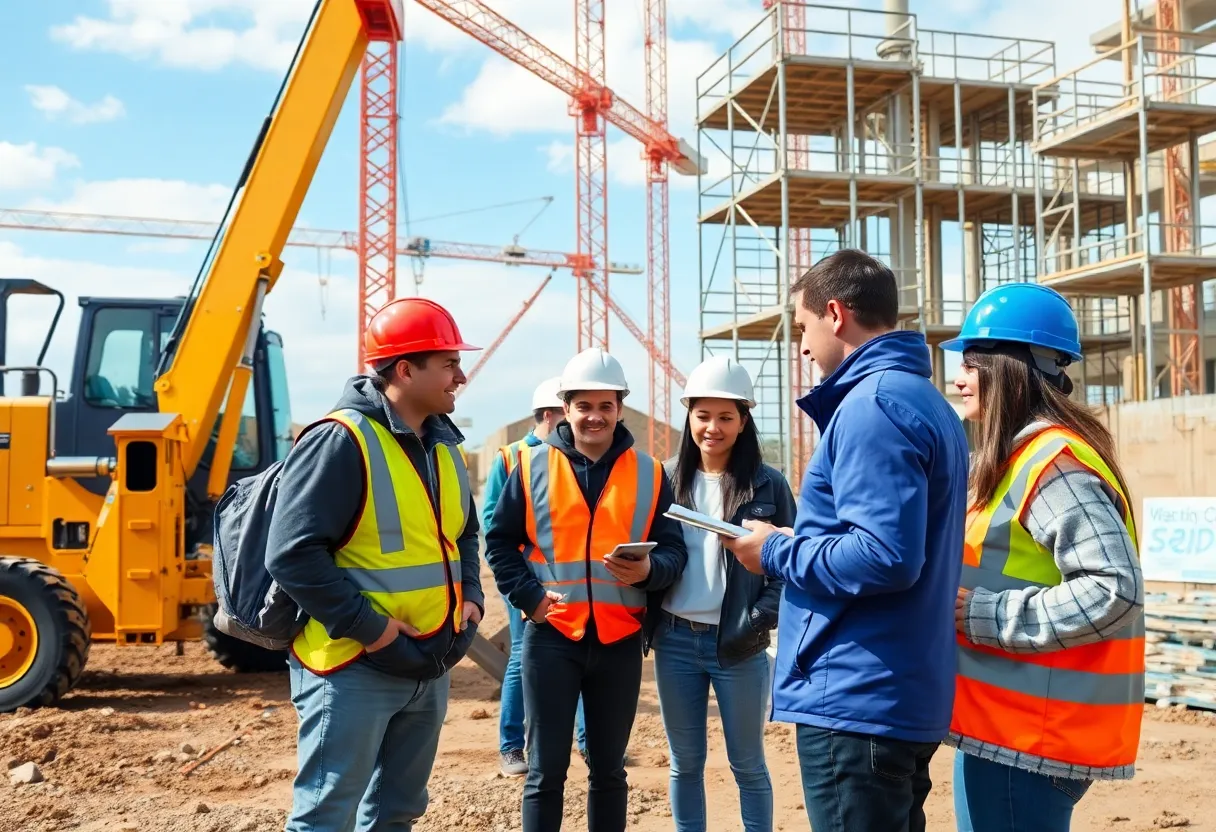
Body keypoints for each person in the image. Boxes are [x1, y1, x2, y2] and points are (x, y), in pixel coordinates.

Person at [723, 249, 971, 832]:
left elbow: (885, 556)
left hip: (857, 693)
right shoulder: (921, 401)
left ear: (835, 314)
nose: (803, 347)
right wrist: (800, 536)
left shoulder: (872, 406)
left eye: (804, 327)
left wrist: (775, 551)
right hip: (895, 688)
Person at [266, 297, 485, 832]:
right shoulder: (340, 440)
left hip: (429, 660)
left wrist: (472, 598)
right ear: (406, 370)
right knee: (327, 816)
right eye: (449, 364)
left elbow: (463, 533)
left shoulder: (443, 445)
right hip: (352, 665)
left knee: (396, 814)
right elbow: (291, 555)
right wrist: (376, 632)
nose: (461, 375)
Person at [940, 283, 1145, 832]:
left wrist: (976, 614)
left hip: (1029, 736)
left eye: (971, 363)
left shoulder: (1051, 462)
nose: (957, 378)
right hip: (1009, 729)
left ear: (1011, 368)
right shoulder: (1020, 458)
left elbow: (1113, 587)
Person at [485, 347, 688, 832]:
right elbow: (499, 543)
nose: (594, 416)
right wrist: (530, 599)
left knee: (609, 772)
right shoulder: (531, 467)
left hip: (619, 640)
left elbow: (675, 552)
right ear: (565, 408)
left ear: (619, 408)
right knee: (545, 771)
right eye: (584, 406)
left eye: (605, 406)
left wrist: (649, 572)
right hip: (552, 637)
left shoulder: (652, 473)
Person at [644, 356, 794, 832]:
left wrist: (756, 618)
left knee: (748, 763)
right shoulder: (663, 480)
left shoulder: (768, 484)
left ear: (743, 420)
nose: (713, 427)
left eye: (726, 417)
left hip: (740, 645)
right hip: (675, 642)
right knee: (684, 761)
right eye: (703, 415)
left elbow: (787, 562)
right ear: (688, 417)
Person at [481, 376, 589, 777]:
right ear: (550, 414)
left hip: (574, 578)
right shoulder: (512, 457)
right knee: (521, 661)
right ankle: (512, 746)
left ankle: (587, 743)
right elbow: (494, 522)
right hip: (528, 581)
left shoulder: (573, 455)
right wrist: (523, 576)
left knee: (582, 653)